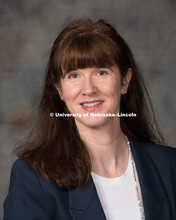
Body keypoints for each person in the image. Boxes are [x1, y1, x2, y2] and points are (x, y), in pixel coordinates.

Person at [3, 19, 176, 220]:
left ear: (125, 80)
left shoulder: (170, 167)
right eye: (74, 75)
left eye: (101, 72)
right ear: (59, 89)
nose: (88, 89)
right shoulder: (34, 179)